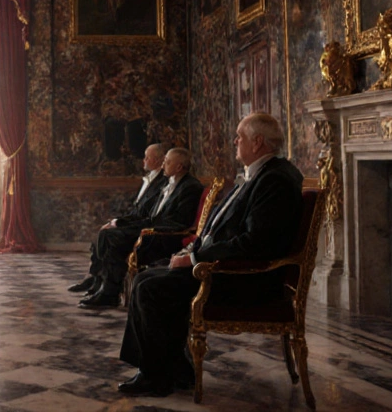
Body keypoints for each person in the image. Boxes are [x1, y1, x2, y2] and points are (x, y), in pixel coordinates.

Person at [117, 113, 303, 397]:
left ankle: (156, 375)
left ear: (258, 142)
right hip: (225, 266)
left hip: (245, 277)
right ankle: (173, 367)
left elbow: (255, 242)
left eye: (240, 136)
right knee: (145, 278)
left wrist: (195, 259)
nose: (235, 141)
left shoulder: (274, 179)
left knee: (150, 287)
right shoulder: (264, 173)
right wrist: (194, 251)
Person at [79, 147, 204, 309]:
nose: (164, 164)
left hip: (165, 237)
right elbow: (153, 215)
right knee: (107, 234)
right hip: (153, 229)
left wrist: (145, 227)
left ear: (179, 167)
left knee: (111, 236)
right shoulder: (170, 182)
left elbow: (178, 222)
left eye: (167, 161)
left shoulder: (190, 187)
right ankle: (104, 285)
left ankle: (109, 292)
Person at [68, 144, 168, 296]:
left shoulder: (163, 182)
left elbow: (146, 214)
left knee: (108, 235)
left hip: (144, 227)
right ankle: (96, 278)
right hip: (137, 222)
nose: (144, 160)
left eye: (148, 157)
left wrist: (118, 223)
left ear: (160, 160)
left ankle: (106, 286)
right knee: (102, 232)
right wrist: (116, 221)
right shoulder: (150, 179)